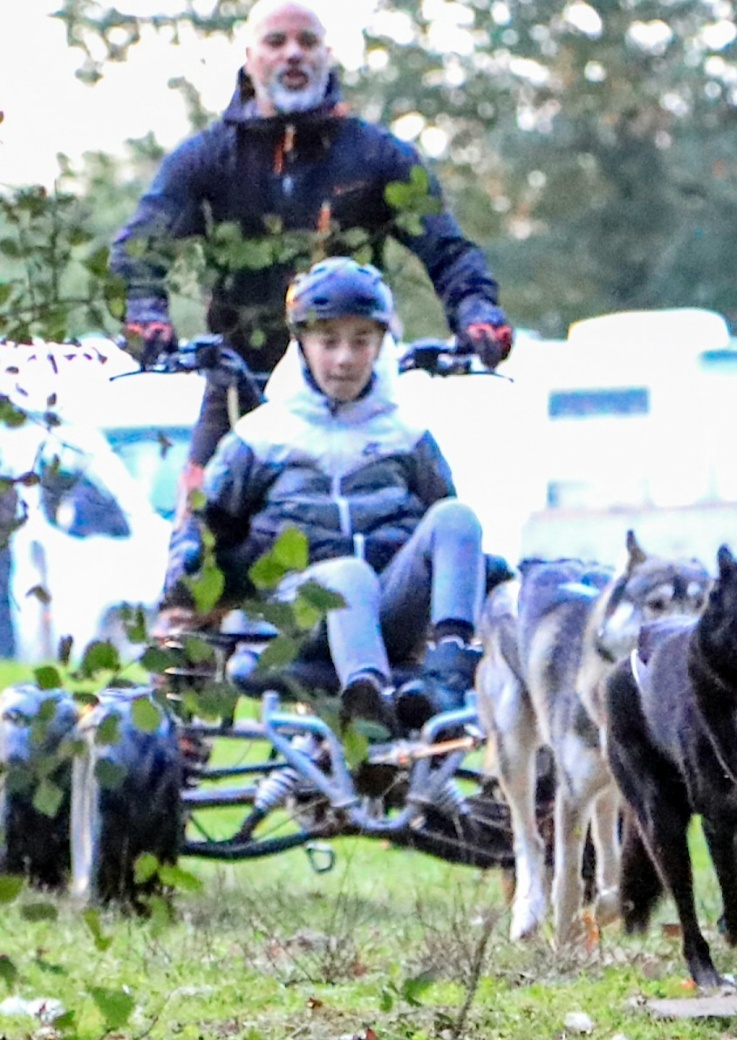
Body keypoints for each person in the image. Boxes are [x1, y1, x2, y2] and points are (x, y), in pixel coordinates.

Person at [110, 0, 510, 494]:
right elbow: (143, 245)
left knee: (426, 514)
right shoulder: (207, 158)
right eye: (277, 42)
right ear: (250, 56)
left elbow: (447, 250)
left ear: (328, 54)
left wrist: (477, 311)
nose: (293, 54)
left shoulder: (379, 156)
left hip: (357, 384)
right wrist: (145, 312)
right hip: (241, 382)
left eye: (307, 42)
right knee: (196, 537)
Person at [164, 259, 485, 732]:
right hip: (298, 618)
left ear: (381, 344)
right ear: (301, 345)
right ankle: (368, 700)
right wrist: (188, 569)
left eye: (361, 341)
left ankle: (446, 679)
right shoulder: (260, 437)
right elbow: (203, 525)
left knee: (456, 516)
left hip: (392, 609)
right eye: (328, 341)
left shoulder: (407, 436)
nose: (344, 359)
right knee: (345, 575)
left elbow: (447, 544)